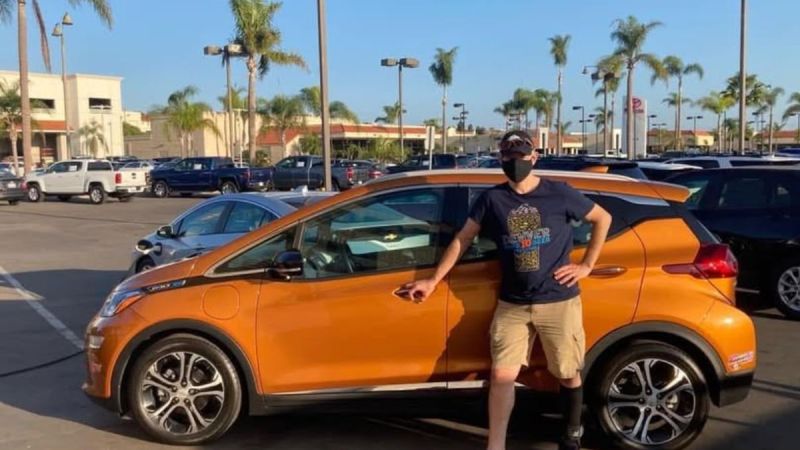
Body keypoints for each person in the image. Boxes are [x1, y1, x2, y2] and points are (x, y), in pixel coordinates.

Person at [402, 130, 612, 450]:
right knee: (502, 376)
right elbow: (463, 239)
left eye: (520, 156)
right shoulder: (492, 200)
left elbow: (603, 218)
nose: (514, 163)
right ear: (501, 158)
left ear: (534, 157)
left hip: (558, 300)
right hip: (512, 303)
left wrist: (586, 265)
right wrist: (433, 281)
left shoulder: (560, 194)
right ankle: (496, 444)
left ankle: (572, 432)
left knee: (567, 372)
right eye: (507, 157)